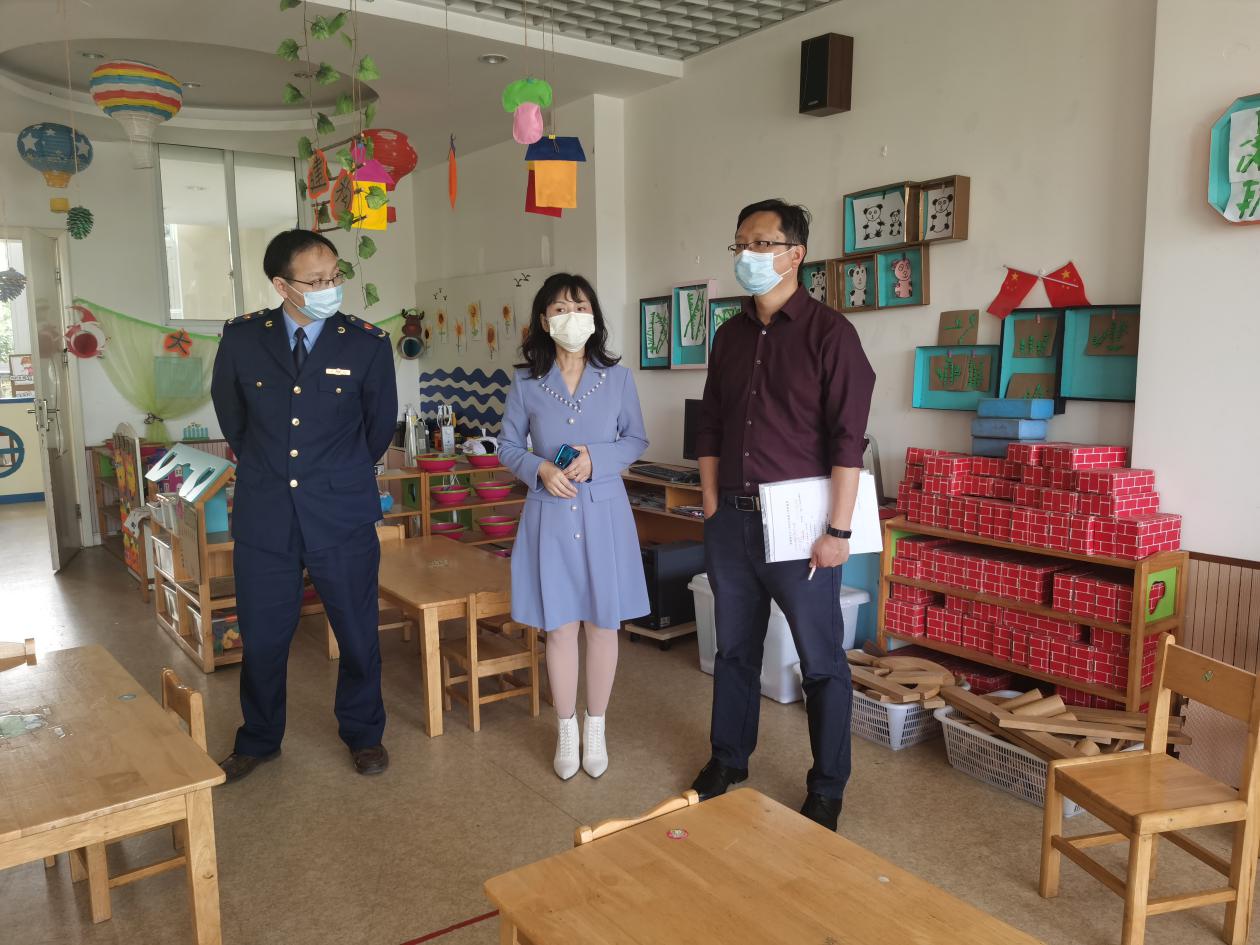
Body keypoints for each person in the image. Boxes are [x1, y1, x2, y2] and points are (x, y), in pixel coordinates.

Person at [689, 199, 876, 830]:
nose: (747, 254)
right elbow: (710, 422)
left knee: (820, 661)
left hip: (802, 530)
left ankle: (827, 787)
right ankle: (728, 759)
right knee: (734, 651)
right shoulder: (729, 336)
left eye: (761, 243)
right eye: (740, 243)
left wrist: (838, 531)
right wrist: (710, 500)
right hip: (733, 522)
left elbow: (848, 440)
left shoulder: (831, 335)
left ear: (795, 254)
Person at [210, 229, 398, 781]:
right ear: (281, 285)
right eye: (315, 281)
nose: (328, 288)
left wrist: (333, 475)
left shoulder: (365, 343)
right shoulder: (244, 339)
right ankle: (259, 738)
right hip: (266, 513)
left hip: (341, 511)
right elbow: (233, 418)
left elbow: (377, 427)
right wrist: (275, 470)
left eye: (335, 277)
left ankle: (364, 734)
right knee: (263, 636)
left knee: (357, 632)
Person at [498, 273, 649, 780]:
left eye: (580, 307)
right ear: (544, 321)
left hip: (605, 514)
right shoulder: (525, 382)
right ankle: (566, 728)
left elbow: (635, 440)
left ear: (594, 317)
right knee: (560, 627)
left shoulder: (618, 379)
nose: (571, 317)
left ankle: (596, 726)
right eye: (560, 309)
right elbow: (507, 446)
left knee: (603, 626)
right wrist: (539, 468)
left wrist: (596, 458)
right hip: (551, 515)